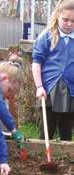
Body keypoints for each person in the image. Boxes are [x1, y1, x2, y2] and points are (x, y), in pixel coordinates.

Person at [32, 0, 74, 141]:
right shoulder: (47, 36)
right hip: (49, 89)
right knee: (47, 130)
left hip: (71, 91)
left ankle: (66, 160)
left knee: (66, 131)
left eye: (73, 21)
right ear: (57, 16)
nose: (69, 24)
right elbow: (36, 62)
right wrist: (39, 86)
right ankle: (44, 157)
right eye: (65, 20)